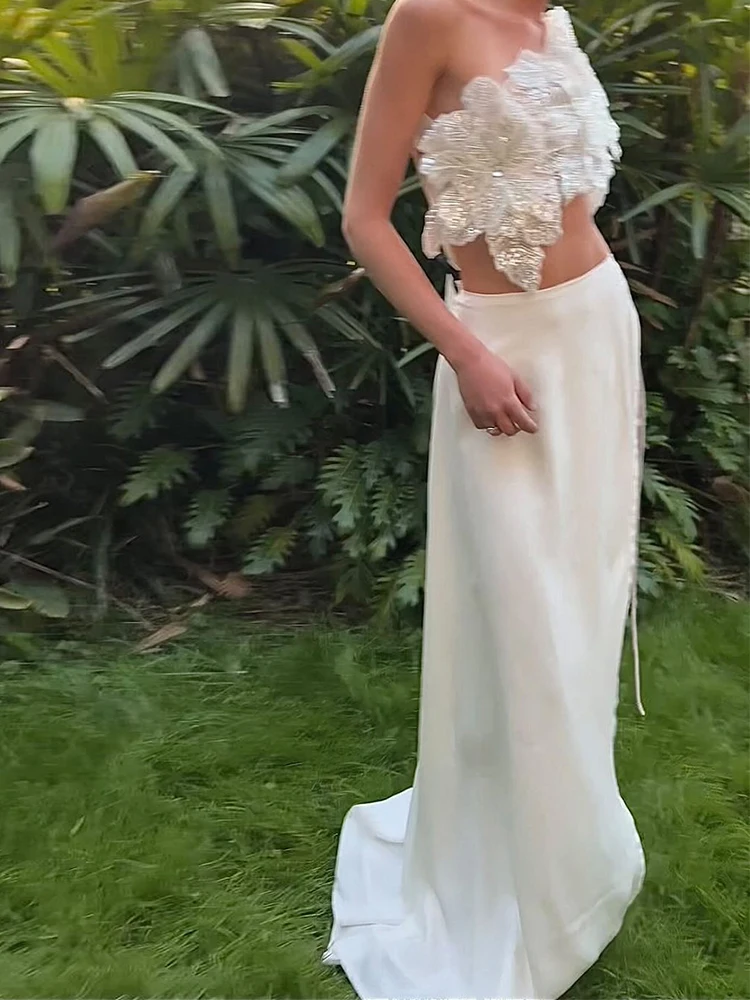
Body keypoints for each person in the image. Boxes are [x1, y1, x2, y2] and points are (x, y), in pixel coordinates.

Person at [323, 1, 646, 997]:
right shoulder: (428, 17)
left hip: (595, 335)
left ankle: (569, 852)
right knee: (522, 614)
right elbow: (364, 219)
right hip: (502, 353)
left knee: (585, 602)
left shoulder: (554, 22)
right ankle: (507, 883)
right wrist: (464, 353)